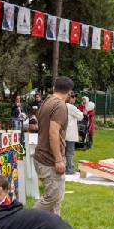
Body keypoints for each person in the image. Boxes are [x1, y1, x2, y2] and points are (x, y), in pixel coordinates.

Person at [33, 76, 71, 216]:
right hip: (49, 160)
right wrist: (58, 159)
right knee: (52, 197)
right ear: (69, 92)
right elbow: (53, 133)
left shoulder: (46, 102)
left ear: (54, 87)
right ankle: (23, 221)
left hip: (42, 156)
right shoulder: (60, 105)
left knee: (57, 199)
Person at [64, 91, 84, 176]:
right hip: (70, 133)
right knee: (70, 152)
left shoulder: (62, 105)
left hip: (63, 132)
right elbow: (81, 116)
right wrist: (80, 111)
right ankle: (70, 169)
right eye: (73, 97)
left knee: (64, 152)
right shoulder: (71, 107)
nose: (74, 98)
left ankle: (66, 168)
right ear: (69, 98)